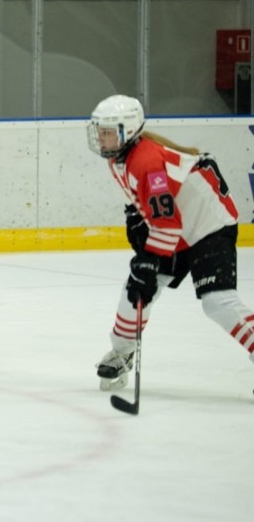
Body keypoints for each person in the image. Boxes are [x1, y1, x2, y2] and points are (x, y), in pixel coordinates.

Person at [87, 94, 254, 388]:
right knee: (136, 289)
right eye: (99, 131)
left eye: (108, 132)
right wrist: (138, 219)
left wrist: (149, 260)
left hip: (209, 226)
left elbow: (168, 222)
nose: (101, 138)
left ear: (128, 131)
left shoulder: (145, 161)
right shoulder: (119, 158)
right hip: (177, 228)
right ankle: (122, 352)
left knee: (217, 302)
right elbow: (157, 208)